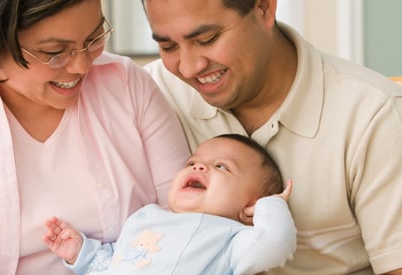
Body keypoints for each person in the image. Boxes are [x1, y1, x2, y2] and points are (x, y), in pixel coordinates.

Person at [139, 0, 402, 274]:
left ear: (264, 7)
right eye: (168, 47)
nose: (189, 68)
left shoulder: (375, 114)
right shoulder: (152, 94)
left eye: (207, 39)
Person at [0, 0, 190, 274]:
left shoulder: (126, 84)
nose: (82, 66)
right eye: (55, 52)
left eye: (93, 38)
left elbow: (184, 223)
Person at [43, 134, 296, 275]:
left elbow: (274, 246)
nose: (199, 166)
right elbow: (117, 262)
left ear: (249, 206)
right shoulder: (147, 218)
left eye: (221, 166)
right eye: (191, 163)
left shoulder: (230, 237)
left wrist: (270, 206)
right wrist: (82, 253)